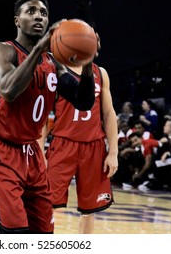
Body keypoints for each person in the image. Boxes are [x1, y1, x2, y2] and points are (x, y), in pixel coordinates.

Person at [0, 0, 96, 234]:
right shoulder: (2, 51)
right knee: (11, 235)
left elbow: (84, 101)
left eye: (43, 13)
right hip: (0, 149)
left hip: (33, 155)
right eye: (30, 11)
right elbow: (9, 90)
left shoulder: (53, 62)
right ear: (17, 21)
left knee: (43, 234)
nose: (38, 16)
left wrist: (87, 62)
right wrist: (40, 46)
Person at [40, 61, 118, 234]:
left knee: (90, 210)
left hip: (94, 146)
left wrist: (113, 152)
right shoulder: (55, 71)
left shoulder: (100, 72)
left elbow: (108, 113)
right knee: (45, 204)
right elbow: (43, 118)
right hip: (62, 144)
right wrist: (39, 153)